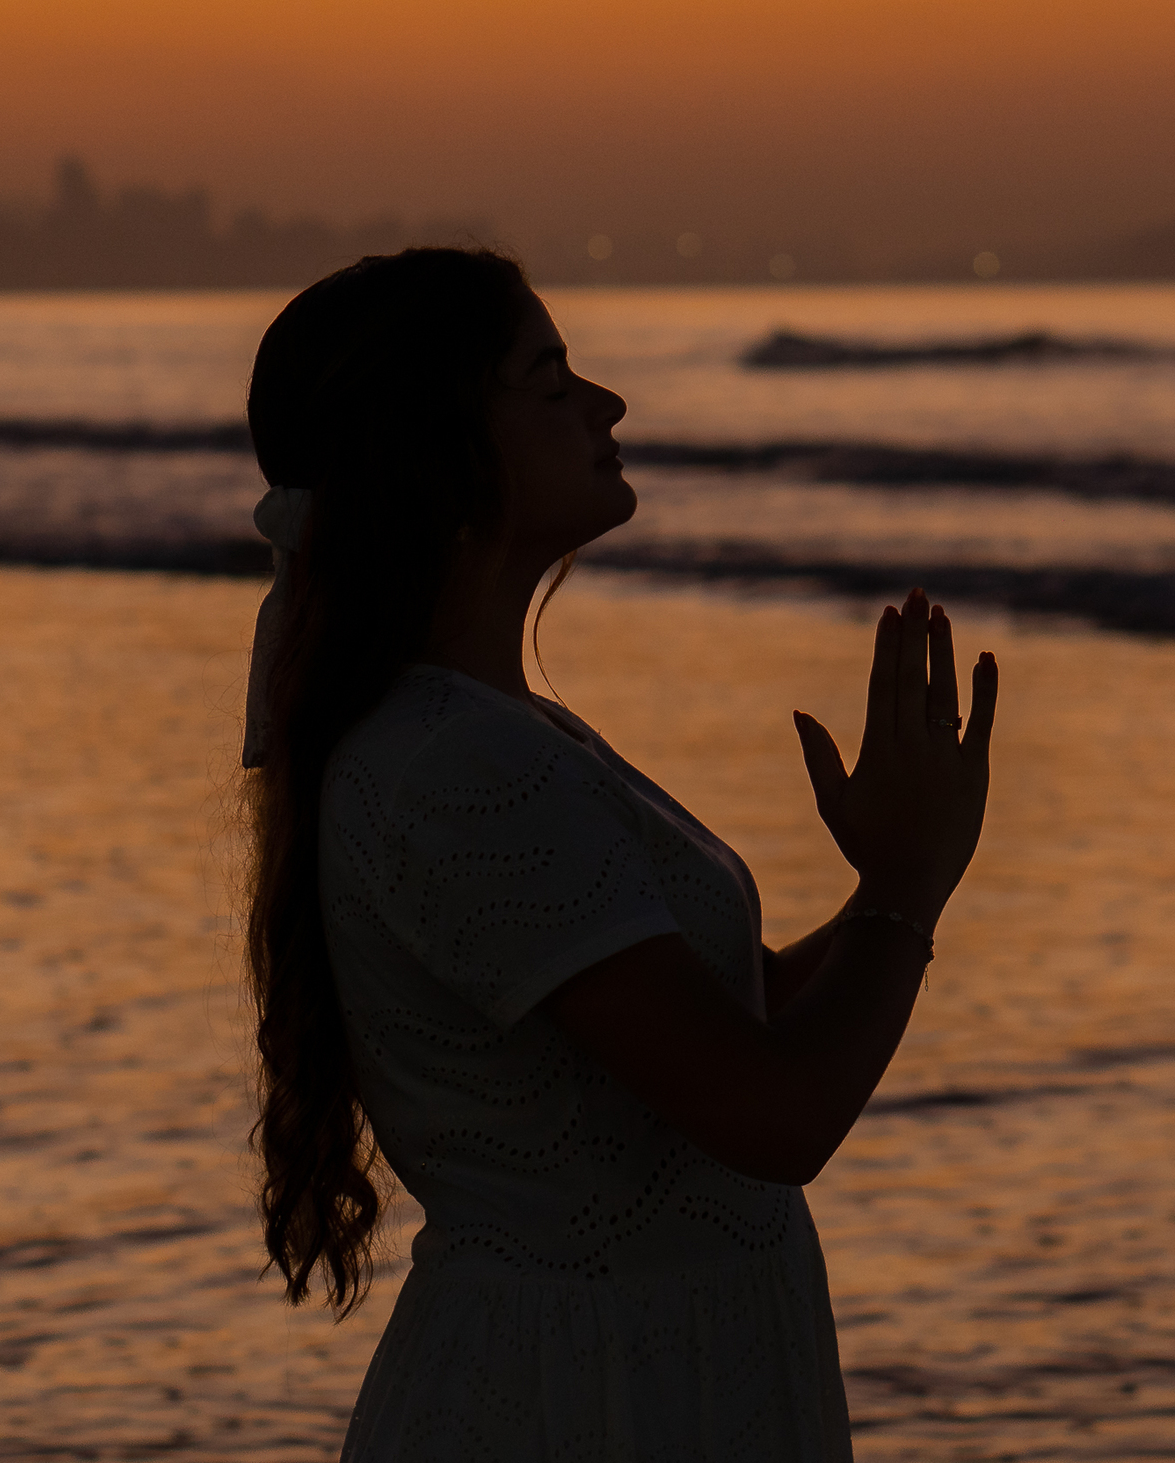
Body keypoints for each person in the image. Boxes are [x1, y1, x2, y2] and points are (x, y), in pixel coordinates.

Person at [241, 247, 998, 1462]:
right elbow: (770, 1113)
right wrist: (906, 889)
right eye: (551, 383)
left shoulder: (490, 732)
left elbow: (715, 1029)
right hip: (583, 1391)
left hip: (629, 1358)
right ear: (441, 455)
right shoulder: (457, 767)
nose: (608, 405)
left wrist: (898, 886)